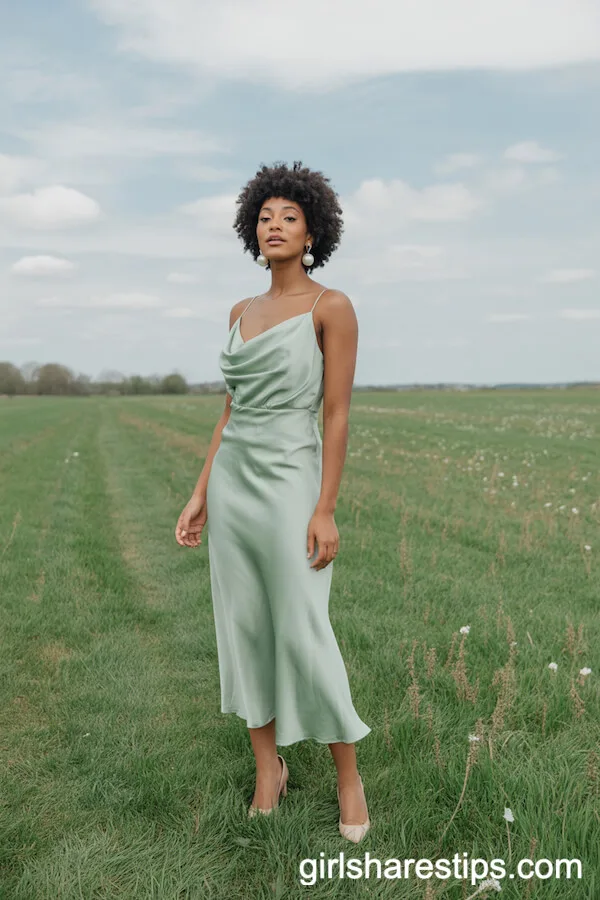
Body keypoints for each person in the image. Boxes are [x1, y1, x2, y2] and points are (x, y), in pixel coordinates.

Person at [175, 161, 371, 842]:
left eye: (290, 216)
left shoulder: (331, 307)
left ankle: (349, 776)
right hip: (233, 485)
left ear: (313, 230)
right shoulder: (239, 312)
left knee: (304, 629)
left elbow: (337, 416)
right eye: (265, 216)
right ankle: (269, 770)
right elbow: (229, 412)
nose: (275, 226)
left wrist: (325, 507)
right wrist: (201, 491)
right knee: (244, 627)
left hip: (292, 485)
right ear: (250, 230)